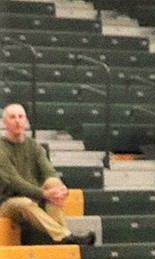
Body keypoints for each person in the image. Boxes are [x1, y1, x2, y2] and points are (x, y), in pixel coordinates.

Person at [0, 102, 92, 245]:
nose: (17, 120)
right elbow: (14, 181)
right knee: (25, 202)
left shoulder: (33, 145)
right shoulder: (1, 147)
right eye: (12, 117)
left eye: (20, 116)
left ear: (26, 121)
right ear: (5, 123)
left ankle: (64, 238)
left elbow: (48, 171)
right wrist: (44, 194)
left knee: (53, 183)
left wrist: (60, 188)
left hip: (35, 197)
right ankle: (64, 235)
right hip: (8, 202)